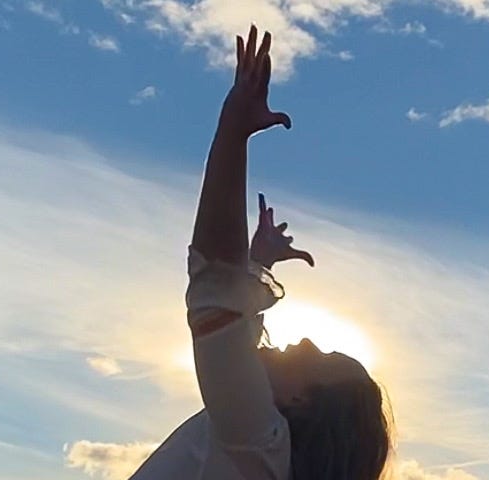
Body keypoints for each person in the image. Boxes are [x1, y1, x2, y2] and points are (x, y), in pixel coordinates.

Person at [129, 25, 391, 480]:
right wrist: (260, 263)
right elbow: (232, 325)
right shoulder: (260, 453)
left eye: (322, 361)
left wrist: (234, 130)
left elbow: (216, 294)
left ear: (301, 403)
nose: (309, 342)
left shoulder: (259, 444)